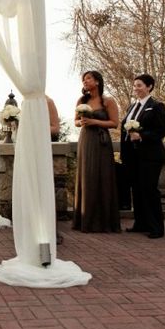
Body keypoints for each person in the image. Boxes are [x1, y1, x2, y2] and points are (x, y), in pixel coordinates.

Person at [72, 70, 121, 233]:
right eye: (83, 79)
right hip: (86, 140)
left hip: (101, 142)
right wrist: (82, 122)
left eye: (88, 78)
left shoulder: (108, 101)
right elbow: (75, 122)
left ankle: (104, 221)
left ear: (97, 81)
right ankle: (86, 219)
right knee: (87, 176)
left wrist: (94, 121)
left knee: (103, 177)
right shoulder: (82, 100)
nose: (85, 81)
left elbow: (114, 123)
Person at [120, 74, 165, 239]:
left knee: (149, 190)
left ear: (149, 87)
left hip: (150, 155)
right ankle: (140, 223)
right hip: (132, 156)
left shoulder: (156, 106)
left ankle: (156, 228)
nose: (136, 88)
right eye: (134, 85)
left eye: (139, 85)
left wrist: (142, 136)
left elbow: (161, 131)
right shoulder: (132, 107)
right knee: (137, 190)